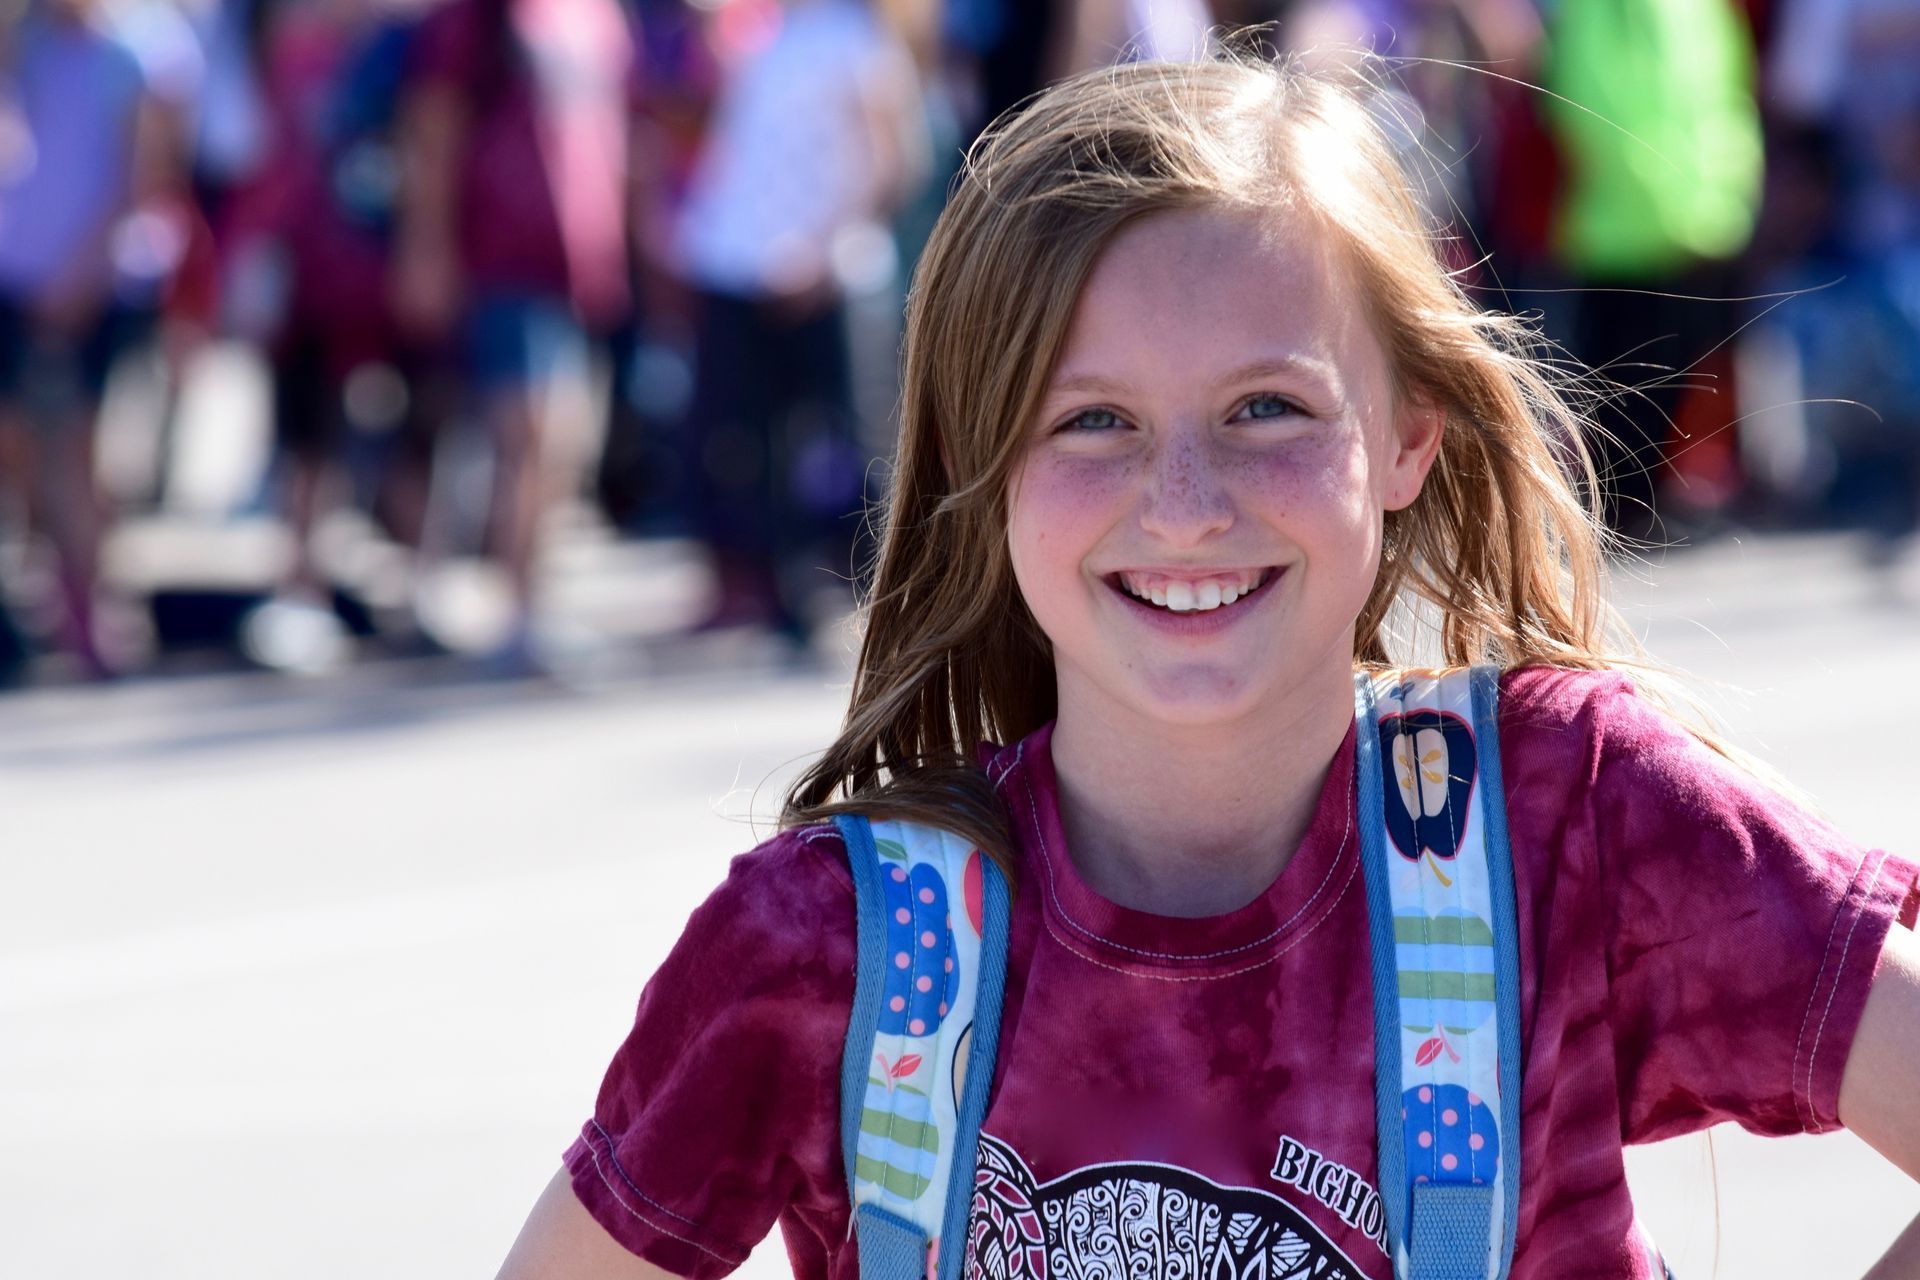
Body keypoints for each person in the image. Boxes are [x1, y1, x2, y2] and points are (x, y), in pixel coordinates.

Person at [495, 52, 1920, 1279]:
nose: (1184, 500)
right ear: (977, 467)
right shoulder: (828, 951)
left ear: (1411, 435)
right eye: (1092, 422)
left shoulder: (1576, 825)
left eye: (1265, 408)